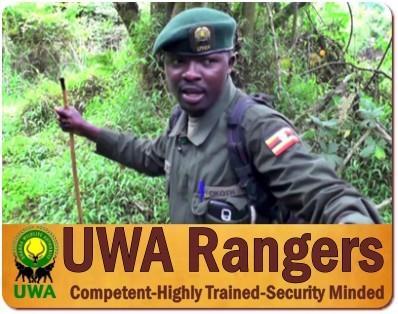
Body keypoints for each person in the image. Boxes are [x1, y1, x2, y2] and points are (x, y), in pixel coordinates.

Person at [55, 8, 382, 224]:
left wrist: (357, 242)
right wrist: (87, 129)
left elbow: (326, 195)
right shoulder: (179, 122)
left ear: (231, 63)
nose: (190, 74)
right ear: (164, 68)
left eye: (208, 62)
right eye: (178, 62)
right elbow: (149, 155)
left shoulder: (255, 127)